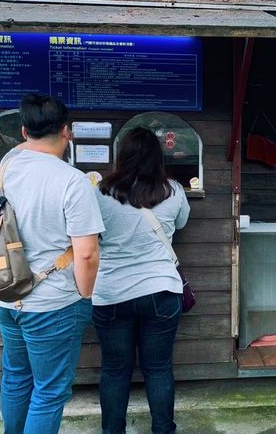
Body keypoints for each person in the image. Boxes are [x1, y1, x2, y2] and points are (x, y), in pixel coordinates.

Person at [0, 93, 104, 434]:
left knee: (16, 377)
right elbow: (86, 253)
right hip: (52, 304)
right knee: (49, 390)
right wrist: (84, 295)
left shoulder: (6, 166)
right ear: (67, 132)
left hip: (5, 294)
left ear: (24, 132)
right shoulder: (73, 181)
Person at [92, 127, 191, 434]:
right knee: (159, 369)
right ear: (157, 157)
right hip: (160, 291)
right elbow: (182, 221)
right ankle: (164, 430)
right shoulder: (173, 190)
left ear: (121, 155)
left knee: (114, 370)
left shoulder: (100, 192)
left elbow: (90, 233)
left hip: (111, 294)